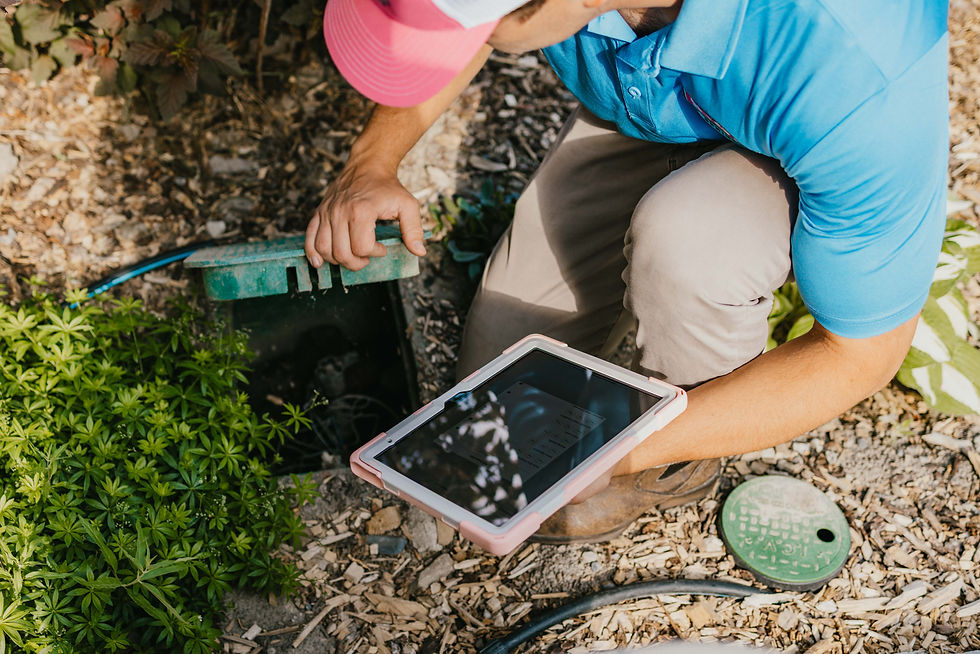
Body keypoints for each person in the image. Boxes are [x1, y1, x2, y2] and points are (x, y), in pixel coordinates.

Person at [306, 0, 949, 544]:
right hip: (652, 100)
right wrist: (372, 160)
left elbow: (859, 357)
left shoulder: (854, 71)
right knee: (492, 382)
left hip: (784, 126)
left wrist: (626, 452)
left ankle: (676, 468)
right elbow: (456, 30)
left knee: (690, 238)